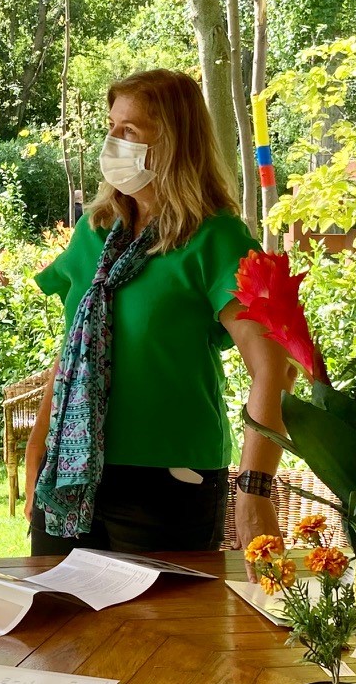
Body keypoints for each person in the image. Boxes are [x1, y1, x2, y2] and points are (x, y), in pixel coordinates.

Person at [25, 68, 290, 555]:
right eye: (110, 127)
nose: (112, 142)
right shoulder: (96, 231)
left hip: (169, 484)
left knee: (162, 631)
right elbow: (72, 351)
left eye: (129, 131)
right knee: (59, 628)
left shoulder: (215, 238)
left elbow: (273, 365)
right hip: (69, 472)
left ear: (173, 141)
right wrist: (39, 445)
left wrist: (255, 488)